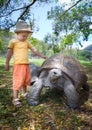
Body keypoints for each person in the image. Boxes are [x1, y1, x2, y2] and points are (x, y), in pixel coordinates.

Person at [5, 21, 48, 107]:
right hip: (18, 65)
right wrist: (7, 63)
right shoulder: (13, 42)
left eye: (27, 36)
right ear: (17, 33)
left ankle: (24, 93)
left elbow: (34, 50)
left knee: (25, 80)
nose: (25, 37)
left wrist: (42, 56)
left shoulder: (27, 42)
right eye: (23, 35)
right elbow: (9, 54)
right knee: (17, 81)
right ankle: (15, 99)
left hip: (26, 65)